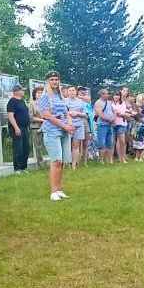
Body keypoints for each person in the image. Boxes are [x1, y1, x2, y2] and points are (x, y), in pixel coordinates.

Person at [38, 71, 74, 200]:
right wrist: (64, 126)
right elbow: (47, 115)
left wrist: (70, 125)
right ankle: (53, 191)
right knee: (56, 160)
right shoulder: (45, 96)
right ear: (47, 81)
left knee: (63, 161)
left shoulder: (60, 96)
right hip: (52, 129)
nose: (54, 82)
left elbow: (67, 112)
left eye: (56, 79)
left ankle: (59, 189)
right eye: (52, 79)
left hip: (64, 129)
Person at [6, 84, 31, 172]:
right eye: (22, 90)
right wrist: (16, 128)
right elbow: (10, 116)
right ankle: (17, 168)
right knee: (18, 148)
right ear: (17, 91)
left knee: (26, 147)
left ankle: (24, 167)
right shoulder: (12, 101)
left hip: (24, 127)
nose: (23, 92)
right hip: (17, 127)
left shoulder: (22, 101)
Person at [65, 84, 87, 168]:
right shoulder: (64, 100)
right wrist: (69, 113)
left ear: (76, 92)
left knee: (76, 145)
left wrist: (77, 113)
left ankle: (74, 164)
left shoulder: (80, 101)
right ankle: (66, 163)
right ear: (67, 92)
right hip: (67, 125)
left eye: (73, 90)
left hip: (78, 124)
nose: (71, 92)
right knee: (67, 145)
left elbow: (85, 114)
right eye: (70, 90)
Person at [94, 88, 115, 164]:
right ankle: (101, 160)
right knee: (102, 142)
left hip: (110, 124)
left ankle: (109, 160)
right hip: (102, 125)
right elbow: (100, 114)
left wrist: (113, 118)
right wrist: (109, 119)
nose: (108, 95)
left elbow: (113, 111)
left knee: (110, 142)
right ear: (102, 94)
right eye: (107, 93)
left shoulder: (109, 102)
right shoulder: (98, 103)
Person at [29, 86, 46, 170]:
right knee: (38, 146)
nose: (39, 94)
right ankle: (40, 164)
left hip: (47, 127)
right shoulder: (32, 103)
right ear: (34, 94)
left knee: (47, 144)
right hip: (36, 127)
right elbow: (31, 117)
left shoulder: (45, 103)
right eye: (38, 92)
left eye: (41, 92)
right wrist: (42, 120)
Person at [112, 90, 129, 163]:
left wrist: (118, 113)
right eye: (115, 95)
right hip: (113, 123)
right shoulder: (111, 103)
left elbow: (122, 113)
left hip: (121, 123)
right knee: (116, 141)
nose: (116, 96)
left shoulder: (123, 104)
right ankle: (119, 157)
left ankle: (123, 157)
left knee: (122, 140)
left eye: (118, 95)